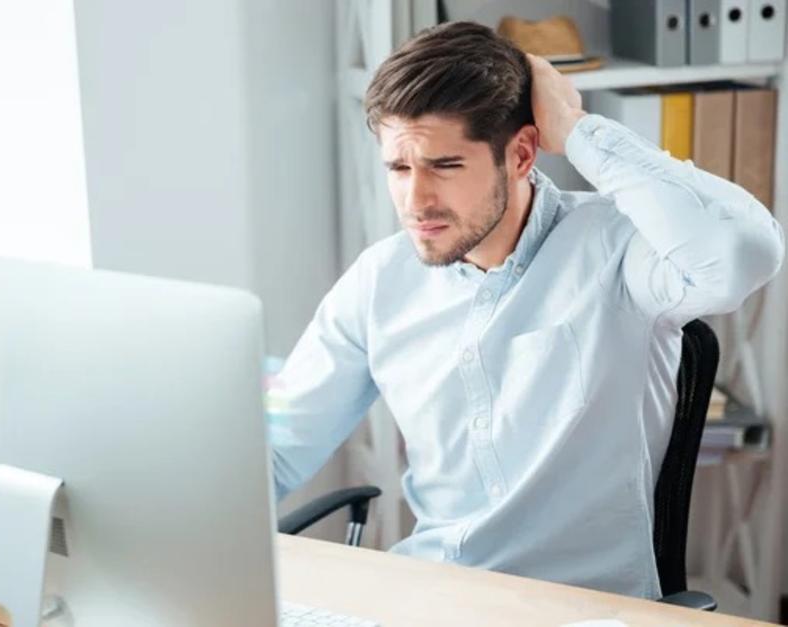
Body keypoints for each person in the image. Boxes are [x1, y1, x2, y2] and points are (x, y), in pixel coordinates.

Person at [266, 21, 784, 598]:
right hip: (427, 595)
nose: (416, 202)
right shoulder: (379, 281)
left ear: (520, 153)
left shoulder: (619, 252)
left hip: (578, 608)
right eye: (399, 168)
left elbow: (743, 253)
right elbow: (280, 447)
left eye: (445, 166)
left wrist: (580, 131)